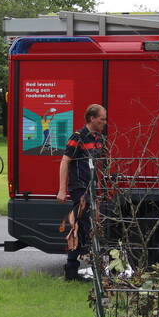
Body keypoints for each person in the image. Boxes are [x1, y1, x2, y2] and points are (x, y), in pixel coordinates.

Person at [57, 104, 107, 281]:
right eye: (102, 119)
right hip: (79, 189)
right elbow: (64, 162)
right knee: (89, 226)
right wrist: (62, 190)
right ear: (92, 119)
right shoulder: (77, 137)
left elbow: (99, 165)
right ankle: (95, 270)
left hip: (93, 190)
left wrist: (101, 187)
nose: (104, 122)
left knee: (79, 227)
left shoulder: (100, 138)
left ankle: (71, 270)